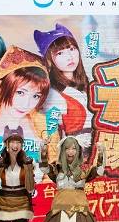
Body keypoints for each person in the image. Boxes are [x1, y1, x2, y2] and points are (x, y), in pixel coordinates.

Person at [0, 45, 57, 155]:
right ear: (1, 86)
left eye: (36, 96)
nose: (26, 104)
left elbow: (57, 162)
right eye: (20, 92)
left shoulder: (47, 126)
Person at [34, 24, 93, 156]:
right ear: (49, 59)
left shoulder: (91, 82)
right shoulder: (52, 95)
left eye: (72, 49)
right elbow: (52, 134)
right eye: (60, 53)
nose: (69, 57)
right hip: (74, 155)